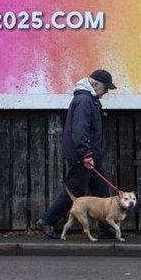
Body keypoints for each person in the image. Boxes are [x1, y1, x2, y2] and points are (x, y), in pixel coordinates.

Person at [39, 69, 116, 238]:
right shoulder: (84, 101)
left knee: (101, 191)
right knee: (75, 191)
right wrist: (86, 154)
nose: (106, 92)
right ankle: (47, 221)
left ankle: (106, 228)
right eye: (105, 88)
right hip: (83, 156)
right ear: (95, 84)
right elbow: (79, 131)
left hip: (90, 155)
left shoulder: (90, 100)